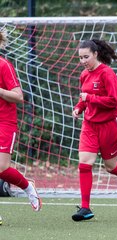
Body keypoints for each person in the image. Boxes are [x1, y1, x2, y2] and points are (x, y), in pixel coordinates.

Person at [71, 39, 117, 221]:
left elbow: (113, 102)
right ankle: (85, 208)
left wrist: (90, 98)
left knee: (111, 166)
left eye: (86, 57)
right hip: (90, 125)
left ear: (96, 54)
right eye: (80, 58)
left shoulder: (107, 74)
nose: (83, 61)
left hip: (109, 125)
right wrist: (79, 107)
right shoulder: (84, 75)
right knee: (84, 164)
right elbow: (84, 96)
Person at [0, 30, 42, 212]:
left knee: (2, 168)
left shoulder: (3, 65)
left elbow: (18, 96)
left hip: (4, 122)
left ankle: (27, 186)